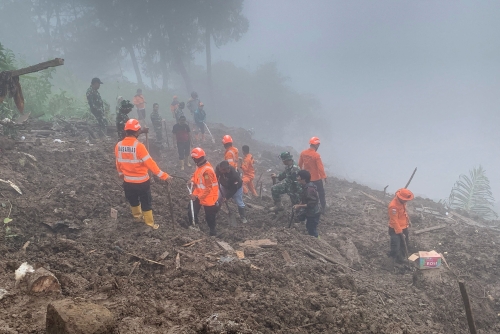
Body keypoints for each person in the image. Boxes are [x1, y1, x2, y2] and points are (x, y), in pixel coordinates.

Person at [115, 119, 171, 229]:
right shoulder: (139, 146)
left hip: (128, 181)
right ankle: (149, 224)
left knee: (133, 201)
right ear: (136, 132)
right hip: (142, 182)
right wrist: (164, 176)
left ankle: (137, 218)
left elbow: (118, 162)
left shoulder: (119, 145)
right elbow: (151, 164)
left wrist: (121, 174)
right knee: (146, 202)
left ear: (126, 131)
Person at [188, 147, 219, 236]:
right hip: (198, 192)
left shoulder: (207, 171)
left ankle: (213, 233)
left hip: (209, 196)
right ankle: (194, 227)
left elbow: (208, 188)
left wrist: (197, 197)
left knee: (209, 217)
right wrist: (192, 180)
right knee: (191, 211)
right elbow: (195, 175)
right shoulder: (199, 165)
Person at [298, 136, 327, 212]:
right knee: (321, 193)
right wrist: (324, 177)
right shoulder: (316, 155)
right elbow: (320, 167)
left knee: (306, 193)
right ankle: (323, 208)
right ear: (317, 145)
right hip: (316, 179)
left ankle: (303, 207)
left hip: (306, 179)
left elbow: (300, 165)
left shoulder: (303, 153)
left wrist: (301, 175)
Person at [388, 188, 414, 263]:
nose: (406, 201)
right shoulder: (393, 206)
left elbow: (404, 213)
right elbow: (394, 220)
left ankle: (401, 260)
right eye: (405, 199)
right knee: (395, 246)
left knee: (404, 244)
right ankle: (392, 260)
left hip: (404, 227)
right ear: (400, 198)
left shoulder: (403, 203)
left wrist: (408, 221)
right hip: (395, 229)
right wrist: (400, 232)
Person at [294, 170, 321, 238]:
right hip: (310, 212)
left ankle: (318, 240)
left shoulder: (309, 189)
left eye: (299, 177)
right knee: (307, 225)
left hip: (313, 214)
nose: (297, 178)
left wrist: (299, 206)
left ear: (303, 179)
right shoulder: (305, 187)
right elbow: (304, 199)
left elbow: (311, 204)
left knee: (312, 230)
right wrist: (299, 205)